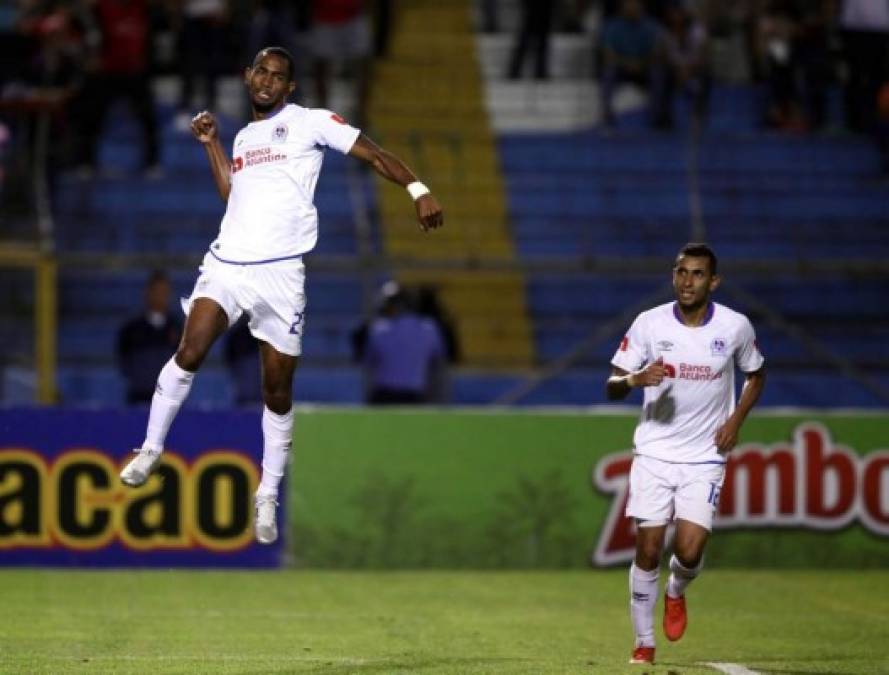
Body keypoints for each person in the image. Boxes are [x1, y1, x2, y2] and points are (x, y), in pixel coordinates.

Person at [119, 46, 443, 546]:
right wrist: (212, 145)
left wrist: (417, 188)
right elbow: (234, 193)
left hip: (281, 272)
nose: (268, 81)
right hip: (228, 263)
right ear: (248, 76)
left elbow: (374, 153)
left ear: (290, 87)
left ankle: (266, 494)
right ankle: (150, 448)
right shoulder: (245, 136)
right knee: (189, 350)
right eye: (261, 72)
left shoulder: (311, 123)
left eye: (278, 76)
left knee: (276, 388)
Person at [605, 243, 766, 665]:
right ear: (673, 275)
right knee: (648, 550)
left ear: (713, 282)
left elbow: (756, 375)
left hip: (705, 456)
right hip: (655, 453)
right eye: (681, 272)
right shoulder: (649, 323)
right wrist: (636, 378)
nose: (687, 281)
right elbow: (611, 384)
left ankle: (676, 590)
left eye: (697, 274)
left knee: (690, 552)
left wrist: (734, 422)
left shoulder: (734, 327)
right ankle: (644, 642)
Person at [363, 281, 446, 405]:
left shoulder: (379, 329)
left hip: (385, 396)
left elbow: (369, 363)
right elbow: (438, 364)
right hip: (415, 396)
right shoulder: (429, 328)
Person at [117, 270, 183, 405]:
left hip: (169, 403)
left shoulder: (179, 329)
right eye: (156, 292)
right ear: (148, 293)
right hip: (139, 399)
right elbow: (123, 361)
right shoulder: (131, 329)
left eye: (164, 292)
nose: (160, 296)